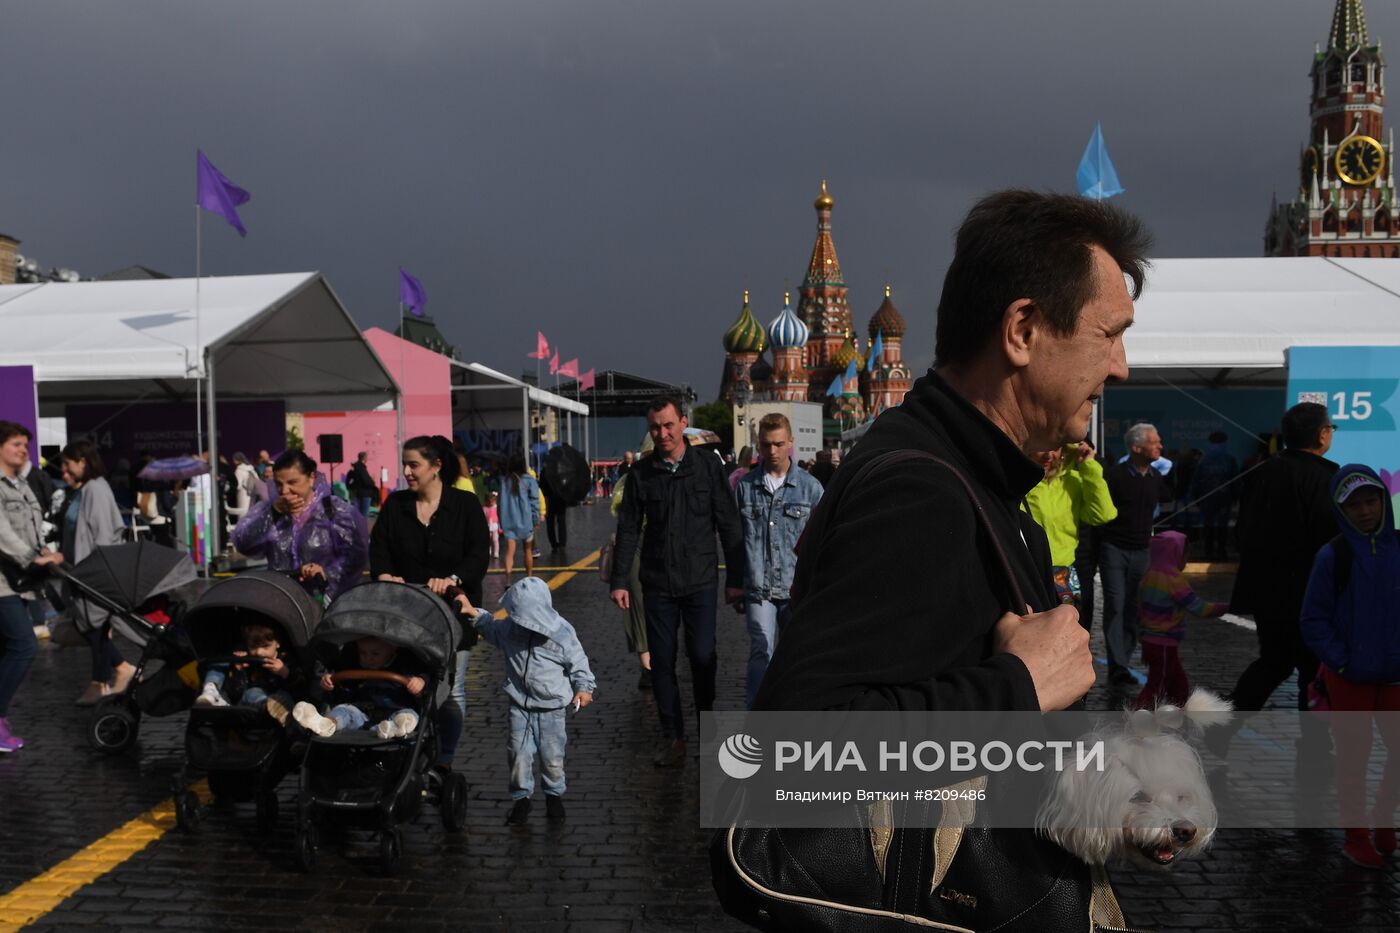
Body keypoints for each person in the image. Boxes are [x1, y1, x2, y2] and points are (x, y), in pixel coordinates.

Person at [745, 192, 1142, 922]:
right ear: (1022, 329)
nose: (1122, 366)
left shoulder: (976, 473)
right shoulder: (919, 492)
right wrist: (1020, 683)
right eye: (1108, 334)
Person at [610, 395, 744, 768]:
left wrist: (736, 578)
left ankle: (707, 722)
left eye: (669, 425)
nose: (663, 433)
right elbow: (629, 530)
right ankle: (674, 738)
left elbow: (728, 523)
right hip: (657, 583)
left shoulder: (707, 468)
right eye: (655, 427)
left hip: (700, 579)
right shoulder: (641, 475)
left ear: (683, 422)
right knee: (661, 665)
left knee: (702, 656)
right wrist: (620, 580)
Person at [1214, 403, 1339, 756]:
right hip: (1310, 592)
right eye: (1329, 427)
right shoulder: (1327, 477)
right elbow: (1330, 540)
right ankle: (1314, 745)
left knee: (1274, 661)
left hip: (1268, 591)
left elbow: (1243, 532)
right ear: (1321, 434)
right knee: (1312, 671)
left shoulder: (1260, 473)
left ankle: (1226, 724)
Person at [1299, 465, 1400, 869]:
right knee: (1353, 760)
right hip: (1350, 679)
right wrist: (1341, 659)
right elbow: (1313, 618)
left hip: (1395, 676)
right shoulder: (1333, 555)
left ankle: (1383, 817)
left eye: (1370, 500)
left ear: (1382, 501)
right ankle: (1356, 836)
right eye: (1353, 504)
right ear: (1341, 508)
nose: (1364, 511)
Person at [369, 434, 490, 772]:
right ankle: (409, 741)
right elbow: (379, 548)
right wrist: (383, 574)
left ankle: (445, 757)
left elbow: (479, 554)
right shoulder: (396, 505)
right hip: (406, 612)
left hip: (454, 610)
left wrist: (454, 579)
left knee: (451, 690)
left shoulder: (464, 505)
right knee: (408, 681)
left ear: (436, 466)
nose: (407, 470)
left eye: (414, 464)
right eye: (405, 463)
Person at [467, 577, 595, 824]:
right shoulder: (510, 629)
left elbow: (579, 663)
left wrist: (584, 688)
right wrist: (473, 613)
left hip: (552, 709)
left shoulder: (561, 633)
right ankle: (521, 799)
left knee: (552, 757)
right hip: (519, 705)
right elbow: (490, 628)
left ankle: (553, 795)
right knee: (517, 755)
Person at [734, 413, 823, 707]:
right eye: (765, 445)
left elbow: (822, 539)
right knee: (762, 649)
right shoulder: (745, 487)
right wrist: (734, 583)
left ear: (791, 444)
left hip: (797, 587)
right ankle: (757, 715)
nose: (772, 451)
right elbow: (734, 540)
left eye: (778, 444)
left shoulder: (811, 488)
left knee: (799, 653)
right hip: (759, 587)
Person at [0, 422, 64, 752]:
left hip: (19, 581)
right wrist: (31, 556)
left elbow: (31, 530)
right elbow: (3, 534)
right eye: (15, 444)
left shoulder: (22, 485)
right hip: (1, 582)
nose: (23, 449)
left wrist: (44, 552)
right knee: (24, 645)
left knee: (6, 649)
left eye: (25, 444)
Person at [232, 449, 369, 603]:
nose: (284, 491)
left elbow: (356, 557)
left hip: (325, 605)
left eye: (292, 482)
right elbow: (244, 544)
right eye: (278, 484)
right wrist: (273, 514)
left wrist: (326, 573)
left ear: (311, 478)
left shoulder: (334, 510)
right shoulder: (269, 510)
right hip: (282, 603)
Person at [60, 440, 135, 707]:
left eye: (68, 465)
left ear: (82, 461)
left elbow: (102, 536)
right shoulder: (86, 490)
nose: (64, 472)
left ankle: (103, 680)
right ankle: (115, 672)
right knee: (93, 627)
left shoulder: (95, 490)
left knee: (96, 626)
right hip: (81, 570)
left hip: (93, 573)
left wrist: (90, 570)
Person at [1098, 422, 1170, 688]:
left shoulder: (1155, 477)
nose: (1160, 446)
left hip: (1142, 551)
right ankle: (1117, 665)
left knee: (1134, 608)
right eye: (1154, 442)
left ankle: (1123, 662)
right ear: (1136, 447)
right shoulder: (1115, 476)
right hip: (1114, 549)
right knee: (1115, 606)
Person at [1132, 531, 1229, 710]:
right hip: (1163, 644)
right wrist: (1230, 606)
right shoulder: (1173, 580)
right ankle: (1133, 718)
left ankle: (1176, 721)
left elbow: (1139, 612)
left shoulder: (1148, 576)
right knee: (1157, 688)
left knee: (1178, 687)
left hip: (1150, 641)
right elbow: (1200, 609)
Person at [1022, 440, 1116, 608]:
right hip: (1027, 572)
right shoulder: (1019, 482)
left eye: (1056, 448)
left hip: (1063, 574)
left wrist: (1089, 466)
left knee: (1069, 630)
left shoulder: (1073, 481)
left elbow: (1102, 514)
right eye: (1042, 447)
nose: (1049, 455)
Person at [292, 635, 425, 739]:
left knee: (409, 715)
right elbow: (344, 693)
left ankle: (395, 727)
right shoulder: (353, 666)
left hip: (394, 712)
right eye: (363, 653)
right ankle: (326, 723)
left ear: (393, 649)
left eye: (375, 654)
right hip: (362, 715)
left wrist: (421, 681)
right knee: (344, 710)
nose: (368, 658)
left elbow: (425, 680)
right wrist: (331, 684)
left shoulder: (405, 666)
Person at [195, 621, 298, 724]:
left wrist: (285, 673)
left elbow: (300, 686)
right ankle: (210, 691)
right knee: (222, 664)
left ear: (278, 643)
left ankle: (276, 707)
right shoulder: (245, 656)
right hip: (249, 700)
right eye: (253, 647)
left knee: (282, 695)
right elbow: (234, 693)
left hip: (280, 696)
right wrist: (238, 670)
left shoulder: (286, 659)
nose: (259, 652)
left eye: (265, 646)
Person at [609, 471, 650, 689]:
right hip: (635, 544)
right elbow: (618, 509)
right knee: (638, 605)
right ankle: (648, 668)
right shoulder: (631, 478)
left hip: (662, 547)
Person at [1186, 431, 1237, 560]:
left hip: (1208, 499)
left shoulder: (1204, 460)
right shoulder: (1229, 460)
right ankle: (1220, 551)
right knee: (1221, 525)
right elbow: (1236, 481)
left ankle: (1209, 551)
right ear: (1225, 443)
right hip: (1223, 498)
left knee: (1209, 524)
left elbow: (1196, 481)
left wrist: (1194, 498)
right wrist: (1236, 497)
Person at [497, 452, 541, 583]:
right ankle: (529, 576)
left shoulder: (504, 481)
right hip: (526, 520)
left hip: (509, 520)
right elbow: (534, 502)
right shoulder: (529, 480)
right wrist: (536, 519)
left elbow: (499, 503)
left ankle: (508, 580)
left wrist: (500, 520)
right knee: (528, 550)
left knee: (509, 552)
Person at [346, 451, 377, 517]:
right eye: (366, 457)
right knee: (364, 516)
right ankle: (363, 527)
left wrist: (350, 487)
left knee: (360, 515)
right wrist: (372, 481)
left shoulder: (355, 467)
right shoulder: (361, 468)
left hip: (358, 493)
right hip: (365, 493)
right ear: (364, 458)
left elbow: (349, 477)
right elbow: (366, 481)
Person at [483, 490, 501, 559]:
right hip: (487, 526)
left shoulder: (496, 508)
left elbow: (499, 517)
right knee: (488, 540)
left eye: (492, 501)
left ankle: (496, 552)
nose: (491, 503)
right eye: (489, 501)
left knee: (495, 540)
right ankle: (488, 551)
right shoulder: (485, 508)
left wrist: (500, 527)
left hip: (495, 526)